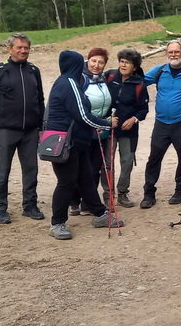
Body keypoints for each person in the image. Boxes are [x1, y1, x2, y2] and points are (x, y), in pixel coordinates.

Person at [46, 50, 123, 240]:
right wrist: (106, 123)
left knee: (86, 178)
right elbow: (82, 115)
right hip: (67, 141)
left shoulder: (70, 81)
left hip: (77, 140)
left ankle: (99, 214)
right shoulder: (69, 83)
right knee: (66, 182)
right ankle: (57, 223)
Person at [0, 33, 45, 224]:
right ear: (9, 49)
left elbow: (40, 100)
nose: (23, 51)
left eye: (26, 47)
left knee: (31, 170)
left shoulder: (33, 70)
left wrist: (41, 127)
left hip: (30, 131)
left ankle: (30, 205)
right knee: (2, 171)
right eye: (19, 47)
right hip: (5, 131)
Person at [140, 40, 181, 208]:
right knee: (154, 158)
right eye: (171, 52)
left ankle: (180, 191)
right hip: (161, 123)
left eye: (177, 52)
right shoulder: (159, 71)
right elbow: (139, 82)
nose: (174, 55)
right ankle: (148, 194)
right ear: (166, 54)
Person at [69, 47, 112, 215]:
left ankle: (87, 202)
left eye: (101, 62)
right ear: (88, 60)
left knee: (94, 168)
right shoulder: (80, 79)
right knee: (79, 167)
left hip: (101, 131)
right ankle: (74, 201)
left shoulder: (104, 79)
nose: (96, 65)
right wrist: (93, 124)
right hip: (83, 129)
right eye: (93, 61)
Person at [105, 48, 149, 208]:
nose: (123, 65)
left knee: (127, 162)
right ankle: (108, 195)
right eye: (122, 61)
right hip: (108, 129)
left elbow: (143, 110)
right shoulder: (109, 77)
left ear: (134, 67)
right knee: (107, 163)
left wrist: (134, 119)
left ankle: (122, 193)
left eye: (127, 63)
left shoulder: (139, 85)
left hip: (128, 131)